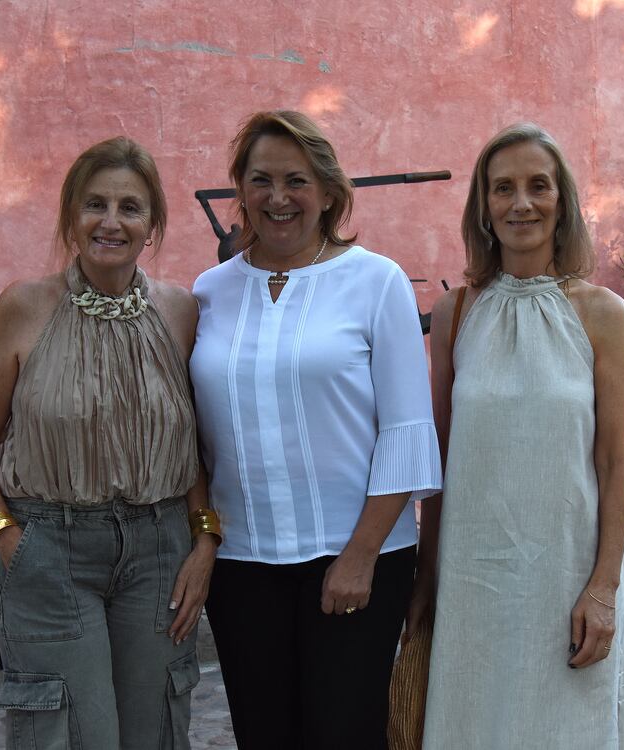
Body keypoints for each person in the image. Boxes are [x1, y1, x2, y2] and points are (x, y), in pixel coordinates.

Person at [0, 136, 218, 750]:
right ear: (71, 216)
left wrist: (203, 540)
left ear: (152, 224)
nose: (112, 221)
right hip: (51, 546)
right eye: (95, 204)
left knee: (157, 729)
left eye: (131, 207)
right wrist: (8, 539)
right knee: (72, 733)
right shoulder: (24, 306)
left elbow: (187, 445)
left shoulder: (180, 311)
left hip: (160, 554)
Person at [189, 110, 441, 750]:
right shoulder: (210, 291)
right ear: (240, 190)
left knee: (344, 734)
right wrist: (206, 540)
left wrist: (359, 554)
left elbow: (407, 432)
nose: (278, 198)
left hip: (357, 561)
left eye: (296, 180)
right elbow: (195, 435)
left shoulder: (376, 281)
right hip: (242, 567)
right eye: (261, 180)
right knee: (263, 734)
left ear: (329, 192)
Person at [410, 123, 624, 748]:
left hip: (569, 573)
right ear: (484, 208)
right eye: (503, 189)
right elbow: (439, 455)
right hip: (474, 577)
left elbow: (616, 461)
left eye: (538, 186)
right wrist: (426, 578)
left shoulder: (601, 314)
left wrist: (603, 588)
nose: (521, 203)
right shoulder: (454, 312)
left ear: (561, 201)